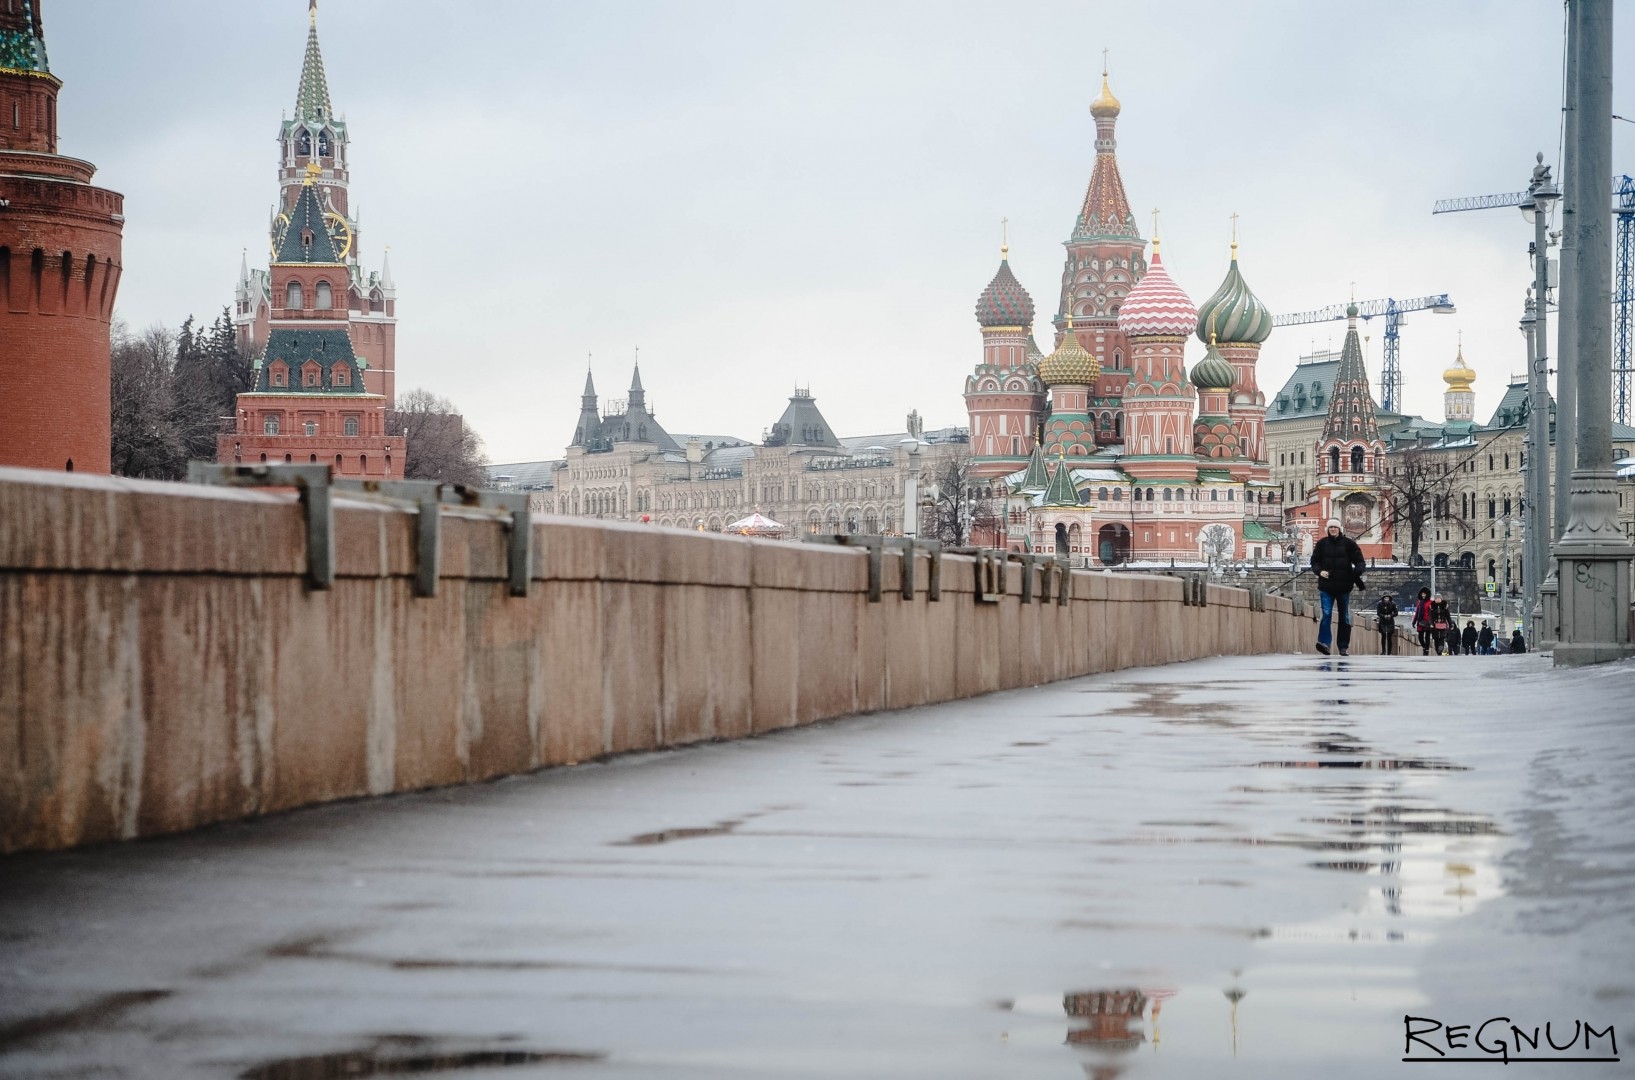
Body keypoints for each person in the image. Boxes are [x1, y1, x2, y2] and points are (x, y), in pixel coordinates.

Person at [1310, 518, 1366, 656]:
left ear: (1339, 529)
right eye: (1330, 527)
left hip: (1344, 587)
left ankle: (1343, 647)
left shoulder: (1349, 544)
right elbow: (1314, 562)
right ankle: (1324, 643)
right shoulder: (1322, 544)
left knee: (1344, 617)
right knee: (1326, 614)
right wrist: (1320, 571)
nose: (1333, 529)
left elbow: (1360, 562)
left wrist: (1355, 573)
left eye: (1335, 527)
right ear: (1327, 530)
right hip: (1326, 586)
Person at [1411, 587, 1435, 655]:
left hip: (1428, 621)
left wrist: (1432, 622)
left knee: (1427, 637)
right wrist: (1414, 621)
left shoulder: (1431, 602)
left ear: (1427, 594)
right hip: (1420, 621)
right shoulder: (1420, 602)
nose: (1423, 595)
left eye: (1424, 594)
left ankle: (1426, 650)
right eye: (1422, 594)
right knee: (1420, 637)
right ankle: (1425, 647)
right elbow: (1417, 612)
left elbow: (1433, 613)